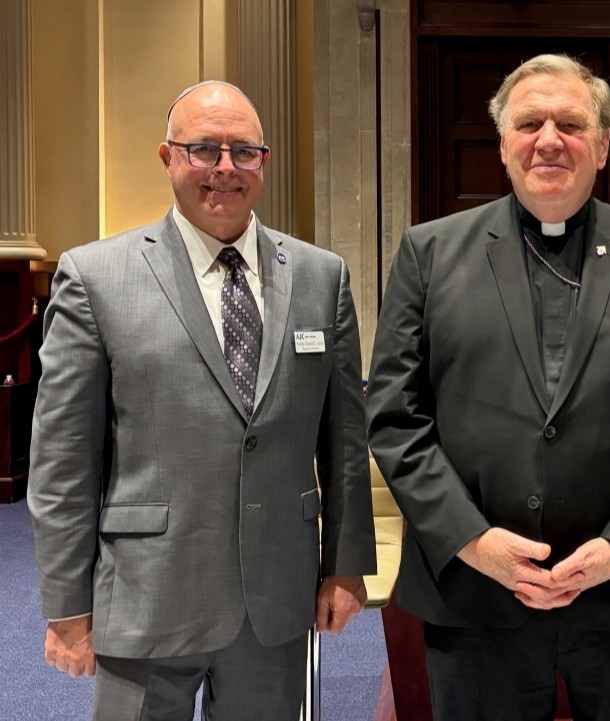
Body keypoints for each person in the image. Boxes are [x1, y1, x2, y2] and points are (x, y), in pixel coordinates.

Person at [365, 54, 610, 721]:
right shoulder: (428, 254)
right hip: (474, 597)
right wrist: (474, 541)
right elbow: (394, 417)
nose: (550, 140)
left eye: (571, 124)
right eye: (530, 123)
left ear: (604, 145)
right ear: (503, 144)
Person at [27, 80, 375, 721]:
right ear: (167, 157)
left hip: (276, 597)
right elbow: (63, 461)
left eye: (244, 152)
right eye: (204, 150)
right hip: (147, 594)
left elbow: (345, 442)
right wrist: (67, 604)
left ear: (263, 161)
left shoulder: (321, 276)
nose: (225, 169)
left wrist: (346, 565)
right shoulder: (96, 278)